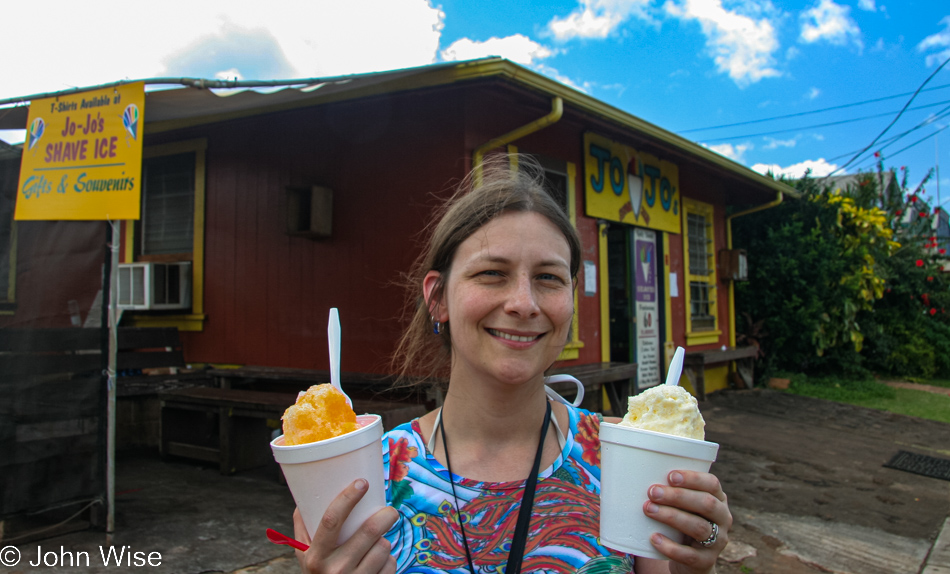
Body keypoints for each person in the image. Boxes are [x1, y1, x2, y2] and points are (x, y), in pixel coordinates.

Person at [292, 154, 733, 574]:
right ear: (437, 297)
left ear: (572, 300)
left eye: (548, 278)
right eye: (491, 273)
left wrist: (696, 557)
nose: (523, 303)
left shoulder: (623, 456)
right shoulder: (373, 474)